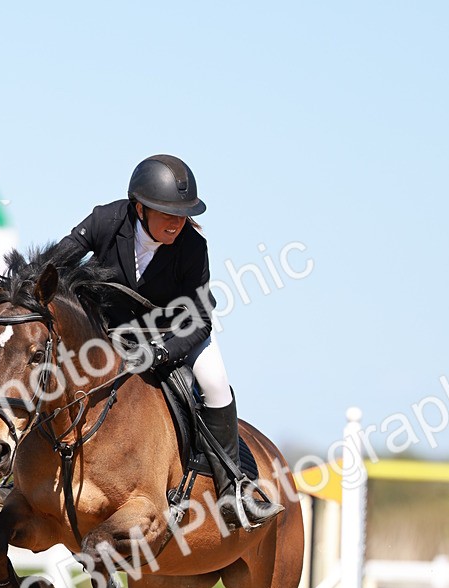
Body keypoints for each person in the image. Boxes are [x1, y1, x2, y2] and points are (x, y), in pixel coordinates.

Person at [56, 153, 282, 532]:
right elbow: (54, 264)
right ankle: (24, 473)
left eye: (182, 213)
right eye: (167, 213)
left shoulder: (192, 246)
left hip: (176, 334)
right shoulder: (105, 221)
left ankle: (234, 489)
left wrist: (161, 353)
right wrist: (18, 294)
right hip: (112, 334)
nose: (177, 222)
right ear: (139, 208)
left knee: (214, 383)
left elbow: (201, 317)